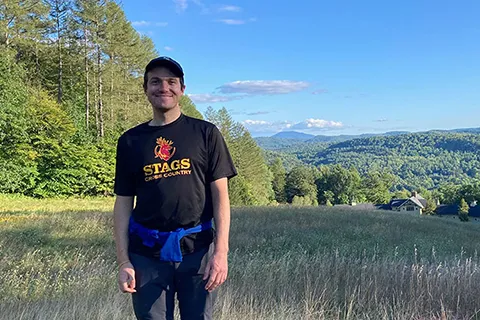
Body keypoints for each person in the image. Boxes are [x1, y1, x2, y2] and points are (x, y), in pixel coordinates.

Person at [113, 56, 237, 320]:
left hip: (198, 251)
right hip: (146, 254)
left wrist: (221, 253)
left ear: (182, 88)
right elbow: (123, 203)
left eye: (171, 81)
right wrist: (124, 261)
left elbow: (221, 197)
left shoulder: (206, 133)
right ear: (145, 88)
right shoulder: (130, 142)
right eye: (155, 81)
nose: (163, 87)